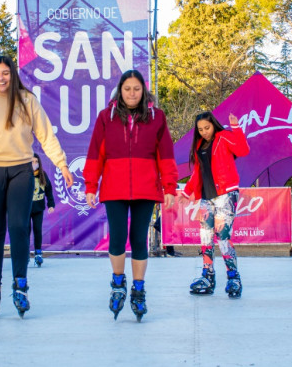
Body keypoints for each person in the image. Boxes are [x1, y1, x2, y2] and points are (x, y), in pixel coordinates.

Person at [0, 55, 72, 319]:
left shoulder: (27, 100)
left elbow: (45, 134)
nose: (1, 78)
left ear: (13, 74)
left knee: (19, 227)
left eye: (5, 73)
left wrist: (61, 165)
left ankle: (20, 286)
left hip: (21, 169)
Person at [83, 69, 178, 322]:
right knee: (117, 237)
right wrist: (91, 185)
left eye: (137, 89)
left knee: (139, 239)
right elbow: (96, 153)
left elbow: (165, 154)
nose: (132, 93)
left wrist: (169, 186)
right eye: (128, 89)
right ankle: (117, 283)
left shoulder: (157, 117)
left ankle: (138, 289)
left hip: (146, 187)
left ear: (143, 91)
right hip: (114, 187)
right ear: (120, 90)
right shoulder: (106, 117)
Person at [179, 111, 249, 298]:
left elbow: (243, 150)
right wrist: (186, 192)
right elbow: (198, 173)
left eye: (207, 128)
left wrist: (236, 128)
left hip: (226, 194)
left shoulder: (224, 137)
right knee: (205, 238)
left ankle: (233, 278)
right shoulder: (200, 145)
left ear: (214, 125)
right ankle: (207, 276)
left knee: (223, 237)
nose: (204, 132)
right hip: (206, 197)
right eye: (200, 129)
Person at [29, 153, 54, 267]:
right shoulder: (25, 175)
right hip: (26, 208)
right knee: (26, 230)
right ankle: (24, 253)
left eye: (36, 162)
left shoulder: (42, 175)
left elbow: (49, 191)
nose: (34, 164)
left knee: (37, 229)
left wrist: (51, 205)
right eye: (32, 162)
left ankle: (38, 252)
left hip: (38, 208)